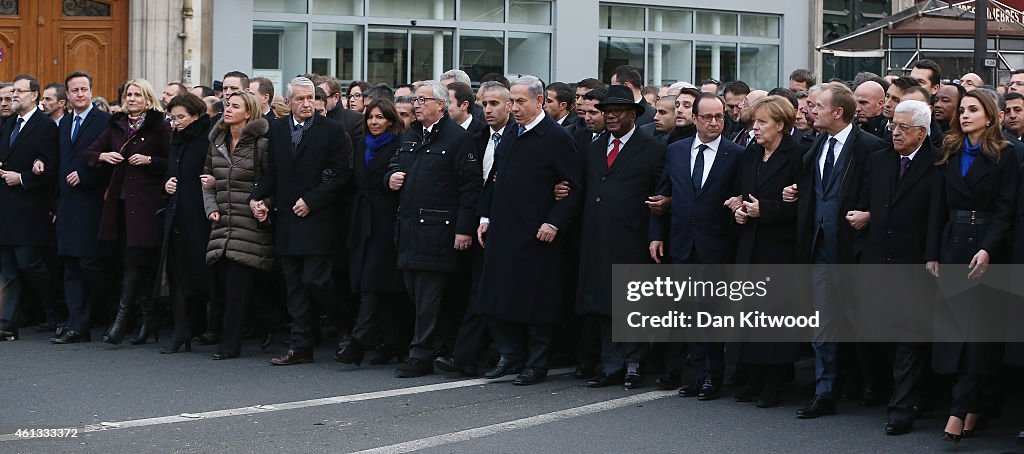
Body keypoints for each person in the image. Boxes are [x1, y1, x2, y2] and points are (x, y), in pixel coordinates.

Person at [785, 83, 885, 418]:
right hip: (819, 249)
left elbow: (883, 196)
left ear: (838, 112)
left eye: (817, 107)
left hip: (853, 251)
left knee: (862, 323)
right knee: (822, 324)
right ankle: (824, 391)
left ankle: (871, 383)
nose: (810, 111)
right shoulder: (814, 147)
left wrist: (870, 215)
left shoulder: (870, 147)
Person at [477, 75, 583, 386]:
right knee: (498, 299)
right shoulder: (510, 134)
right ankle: (509, 355)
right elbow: (494, 179)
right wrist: (485, 217)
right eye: (512, 101)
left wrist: (554, 222)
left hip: (538, 235)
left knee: (537, 303)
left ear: (539, 101)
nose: (515, 107)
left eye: (521, 101)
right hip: (505, 231)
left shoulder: (557, 138)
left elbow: (573, 187)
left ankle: (536, 363)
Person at [932, 90, 1017, 444]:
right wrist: (932, 252)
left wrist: (987, 249)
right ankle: (972, 405)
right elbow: (938, 207)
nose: (965, 115)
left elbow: (1006, 209)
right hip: (953, 244)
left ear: (989, 116)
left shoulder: (1005, 154)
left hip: (987, 248)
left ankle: (959, 409)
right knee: (956, 332)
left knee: (978, 335)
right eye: (962, 110)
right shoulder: (950, 152)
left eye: (973, 109)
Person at [854, 100, 943, 435]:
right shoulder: (879, 161)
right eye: (893, 125)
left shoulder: (937, 164)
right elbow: (867, 206)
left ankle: (903, 407)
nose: (895, 132)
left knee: (909, 339)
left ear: (922, 131)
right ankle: (907, 394)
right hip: (878, 261)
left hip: (915, 262)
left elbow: (937, 216)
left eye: (903, 127)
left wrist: (931, 255)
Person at [649, 92, 743, 400]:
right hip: (682, 243)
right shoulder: (676, 151)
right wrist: (656, 234)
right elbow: (661, 197)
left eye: (720, 117)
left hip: (716, 246)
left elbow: (741, 195)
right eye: (708, 117)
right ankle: (696, 374)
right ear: (695, 119)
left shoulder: (736, 153)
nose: (715, 122)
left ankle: (713, 377)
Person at [252, 76, 351, 365]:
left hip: (318, 219)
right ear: (289, 101)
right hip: (286, 219)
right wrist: (257, 197)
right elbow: (273, 172)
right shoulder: (278, 129)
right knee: (293, 284)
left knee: (316, 281)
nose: (307, 104)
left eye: (311, 98)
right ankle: (300, 345)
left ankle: (345, 326)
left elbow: (339, 174)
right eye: (300, 99)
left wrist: (312, 200)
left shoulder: (332, 131)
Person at [384, 80, 480, 377]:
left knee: (429, 297)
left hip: (438, 230)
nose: (416, 104)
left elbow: (469, 187)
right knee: (415, 292)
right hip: (410, 230)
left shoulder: (456, 138)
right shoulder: (412, 135)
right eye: (415, 99)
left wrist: (464, 228)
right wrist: (390, 178)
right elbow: (393, 165)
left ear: (441, 105)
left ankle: (421, 354)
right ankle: (437, 344)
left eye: (423, 99)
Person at [576, 84, 666, 389]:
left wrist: (659, 220)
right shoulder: (594, 147)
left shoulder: (653, 148)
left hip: (633, 237)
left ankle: (634, 362)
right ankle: (611, 363)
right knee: (603, 303)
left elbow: (660, 193)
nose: (610, 117)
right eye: (607, 112)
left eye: (617, 112)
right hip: (598, 237)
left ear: (632, 114)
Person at [726, 96, 804, 408]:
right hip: (751, 243)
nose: (755, 128)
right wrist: (740, 210)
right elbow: (743, 193)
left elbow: (801, 208)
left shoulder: (797, 155)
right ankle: (754, 377)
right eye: (754, 122)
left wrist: (765, 211)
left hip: (779, 248)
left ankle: (774, 383)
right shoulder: (752, 153)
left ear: (781, 125)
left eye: (762, 123)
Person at [434, 81, 515, 376]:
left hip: (510, 227)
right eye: (485, 104)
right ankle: (467, 354)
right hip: (479, 225)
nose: (487, 109)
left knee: (497, 291)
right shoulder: (478, 137)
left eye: (494, 104)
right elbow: (469, 184)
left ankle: (490, 352)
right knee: (476, 291)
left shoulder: (519, 138)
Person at [84, 78, 171, 345]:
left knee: (136, 262)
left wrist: (149, 161)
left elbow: (172, 162)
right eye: (128, 94)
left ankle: (121, 323)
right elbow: (88, 152)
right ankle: (147, 319)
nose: (131, 99)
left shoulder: (159, 126)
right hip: (119, 205)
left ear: (147, 98)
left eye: (136, 95)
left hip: (146, 206)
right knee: (130, 262)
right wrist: (103, 157)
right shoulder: (117, 124)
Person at [201, 91, 273, 360]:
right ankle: (267, 324)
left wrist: (263, 204)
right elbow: (206, 180)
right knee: (222, 286)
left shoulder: (261, 145)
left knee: (237, 290)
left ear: (248, 112)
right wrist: (211, 209)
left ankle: (229, 345)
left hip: (249, 225)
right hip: (222, 224)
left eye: (234, 106)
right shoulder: (217, 141)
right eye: (226, 106)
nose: (227, 110)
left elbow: (270, 182)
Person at [338, 98, 407, 366]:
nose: (374, 122)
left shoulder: (399, 145)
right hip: (362, 220)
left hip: (386, 220)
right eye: (370, 118)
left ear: (391, 120)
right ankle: (392, 343)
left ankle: (358, 341)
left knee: (373, 281)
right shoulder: (361, 145)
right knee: (380, 285)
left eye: (380, 117)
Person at [52, 71, 113, 344]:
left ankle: (110, 312)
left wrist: (86, 176)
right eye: (74, 90)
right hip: (67, 204)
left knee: (91, 263)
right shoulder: (64, 123)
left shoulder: (104, 121)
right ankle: (78, 326)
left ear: (91, 91)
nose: (79, 94)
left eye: (84, 89)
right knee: (71, 266)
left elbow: (110, 162)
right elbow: (62, 160)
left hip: (91, 203)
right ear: (67, 95)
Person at [0, 74, 59, 341]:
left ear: (34, 95)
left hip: (29, 208)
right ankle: (7, 324)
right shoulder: (9, 122)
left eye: (19, 92)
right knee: (9, 267)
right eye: (13, 91)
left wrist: (23, 177)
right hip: (6, 208)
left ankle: (53, 306)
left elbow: (51, 166)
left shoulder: (45, 126)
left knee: (29, 263)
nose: (14, 96)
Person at [158, 93, 211, 354]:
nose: (176, 122)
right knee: (177, 274)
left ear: (196, 115)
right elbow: (171, 172)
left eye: (181, 117)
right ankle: (181, 331)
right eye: (173, 117)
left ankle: (203, 326)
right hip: (177, 214)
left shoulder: (207, 138)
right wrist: (166, 184)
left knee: (201, 273)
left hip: (200, 215)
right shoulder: (176, 140)